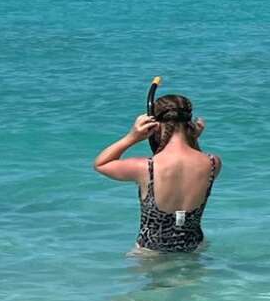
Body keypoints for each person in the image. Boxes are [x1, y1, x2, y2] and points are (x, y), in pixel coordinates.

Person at [93, 94, 222, 254]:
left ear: (156, 124)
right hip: (194, 247)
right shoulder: (212, 163)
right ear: (190, 123)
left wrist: (132, 137)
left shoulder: (146, 167)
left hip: (151, 252)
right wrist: (193, 140)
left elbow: (101, 164)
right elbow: (192, 165)